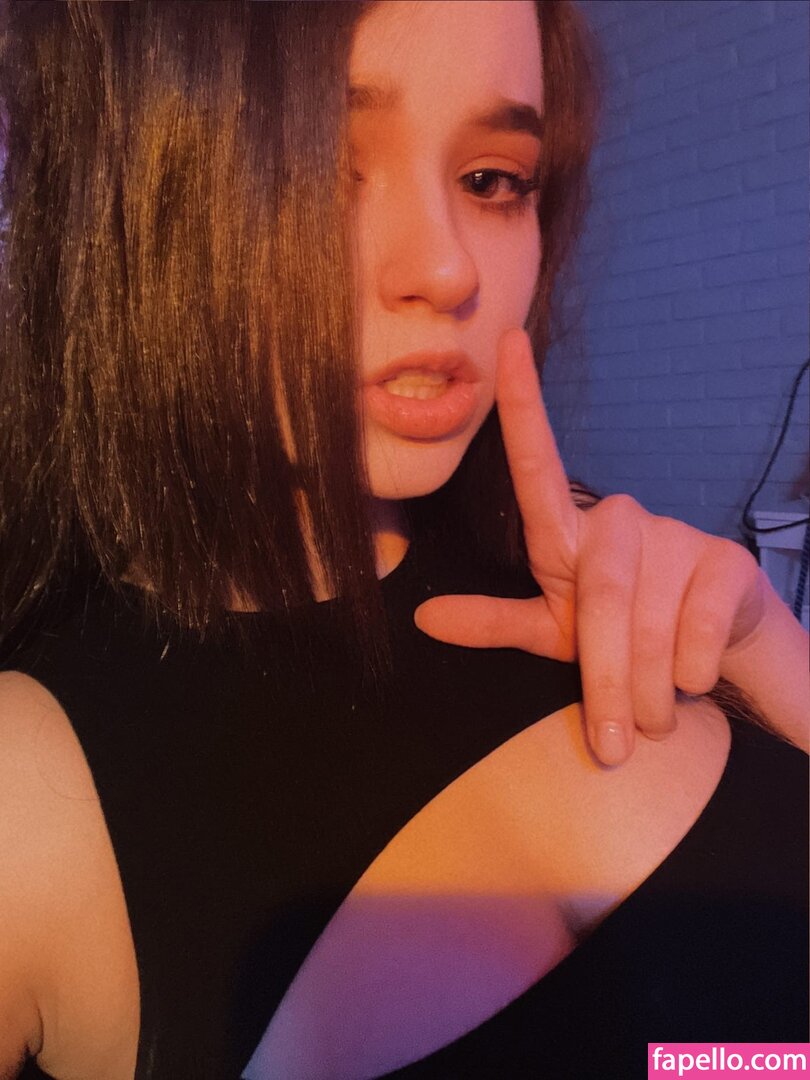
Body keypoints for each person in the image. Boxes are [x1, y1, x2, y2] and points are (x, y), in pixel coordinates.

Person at [0, 2, 806, 1078]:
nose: (448, 270)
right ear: (122, 203)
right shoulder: (31, 792)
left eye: (492, 180)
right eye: (320, 170)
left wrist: (763, 651)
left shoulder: (581, 561)